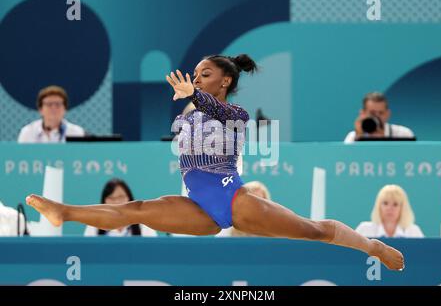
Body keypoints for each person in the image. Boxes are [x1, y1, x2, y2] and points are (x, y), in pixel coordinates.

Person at [26, 54, 404, 270]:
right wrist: (192, 101)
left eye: (205, 75)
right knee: (135, 209)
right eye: (195, 75)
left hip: (231, 197)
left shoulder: (234, 112)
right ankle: (64, 212)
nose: (197, 79)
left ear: (224, 82)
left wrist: (197, 96)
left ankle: (371, 246)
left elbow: (221, 115)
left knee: (314, 230)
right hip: (198, 207)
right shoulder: (190, 116)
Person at [84, 179, 157, 237]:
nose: (116, 202)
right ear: (104, 201)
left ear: (129, 198)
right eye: (111, 198)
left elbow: (152, 250)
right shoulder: (94, 225)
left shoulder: (143, 225)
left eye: (121, 197)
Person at [18, 85, 85, 143]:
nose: (53, 108)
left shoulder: (77, 133)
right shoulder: (27, 132)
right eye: (49, 104)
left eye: (58, 104)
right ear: (40, 109)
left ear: (65, 109)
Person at [356, 185, 424, 238]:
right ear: (378, 206)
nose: (389, 208)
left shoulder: (414, 232)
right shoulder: (364, 229)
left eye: (395, 204)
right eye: (385, 203)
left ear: (403, 208)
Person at [344, 92, 414, 143]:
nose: (377, 116)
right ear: (362, 113)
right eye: (372, 113)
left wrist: (382, 140)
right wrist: (359, 137)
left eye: (381, 113)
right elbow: (347, 160)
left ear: (388, 114)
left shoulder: (404, 134)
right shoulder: (352, 137)